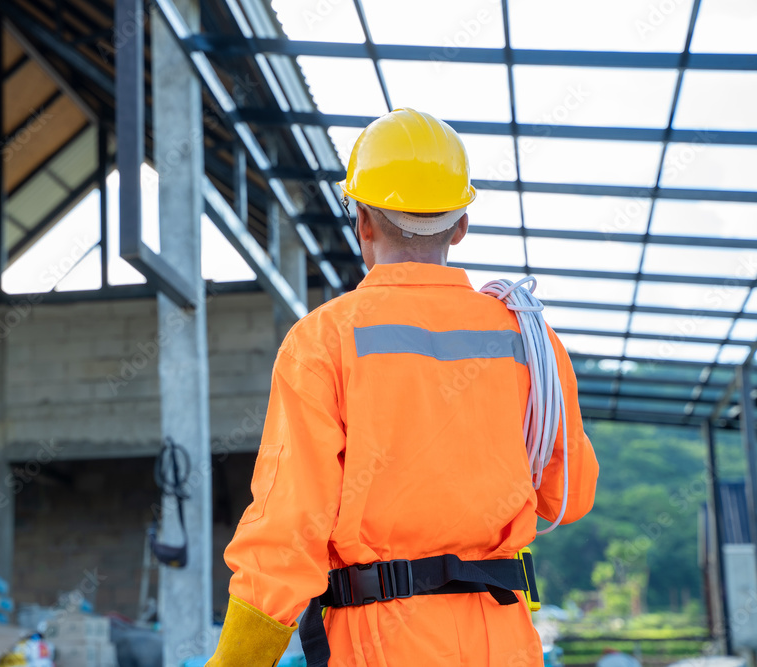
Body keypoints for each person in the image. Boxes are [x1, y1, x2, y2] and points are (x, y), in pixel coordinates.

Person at [206, 108, 599, 666]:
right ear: (461, 224)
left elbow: (287, 534)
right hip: (506, 642)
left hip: (380, 644)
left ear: (362, 221)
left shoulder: (324, 341)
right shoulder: (530, 339)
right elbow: (568, 496)